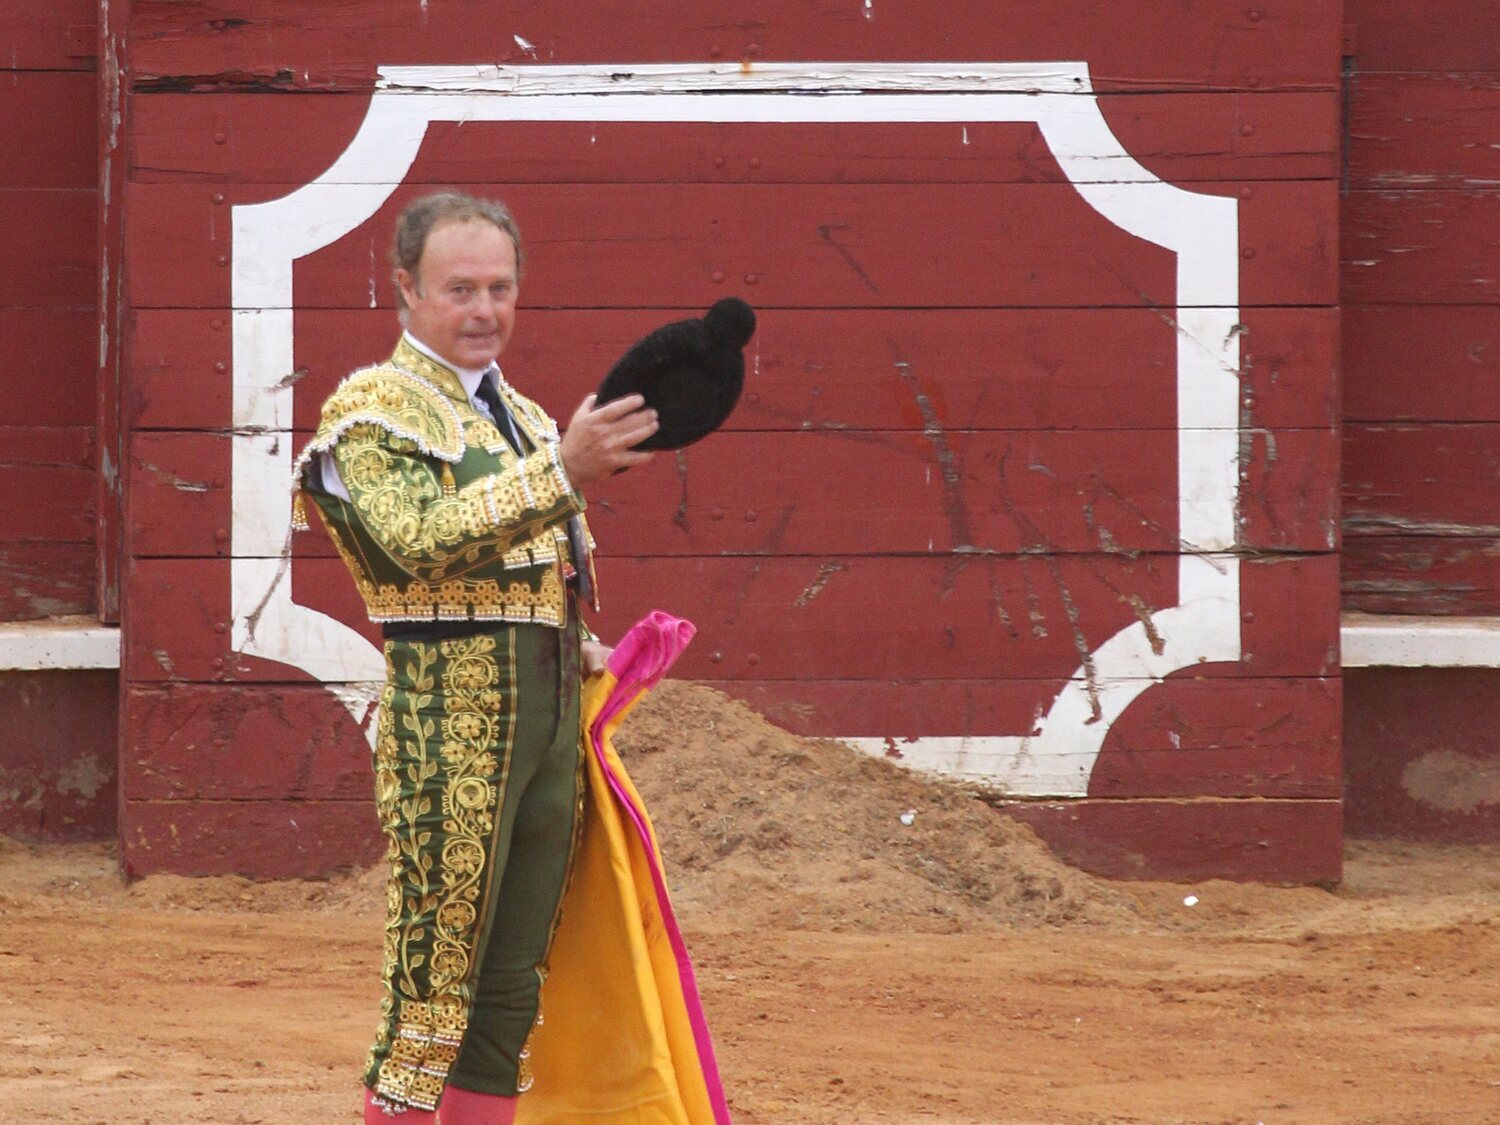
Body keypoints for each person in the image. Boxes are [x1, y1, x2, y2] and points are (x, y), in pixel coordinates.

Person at [292, 191, 658, 1123]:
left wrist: (576, 642)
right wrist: (560, 473)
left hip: (543, 726)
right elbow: (409, 545)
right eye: (460, 288)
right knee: (434, 974)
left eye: (500, 287)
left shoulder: (528, 417)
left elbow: (523, 571)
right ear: (406, 291)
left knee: (508, 985)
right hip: (448, 724)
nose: (484, 308)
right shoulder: (371, 411)